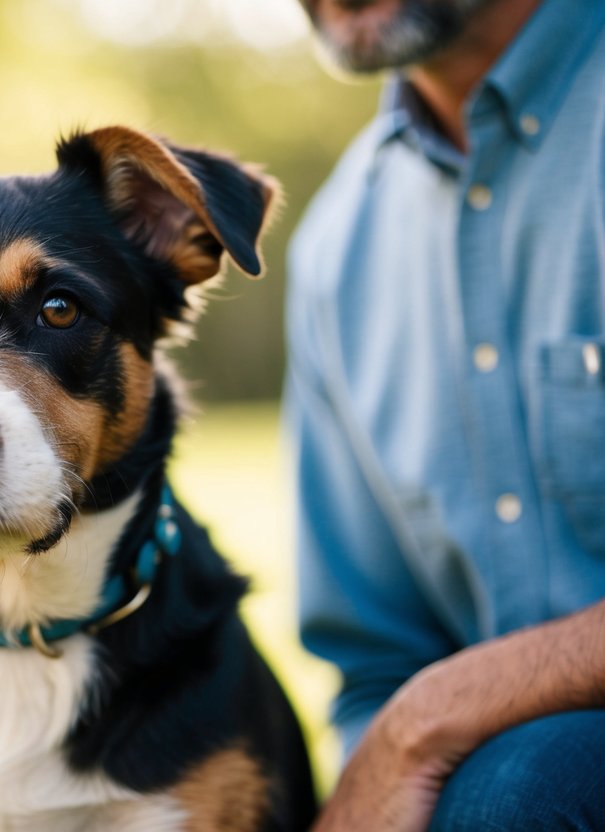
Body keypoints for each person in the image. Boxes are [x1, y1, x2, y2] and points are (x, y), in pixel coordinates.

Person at [286, 0, 605, 828]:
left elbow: (412, 717)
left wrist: (436, 714)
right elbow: (373, 662)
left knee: (517, 788)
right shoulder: (332, 250)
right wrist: (393, 740)